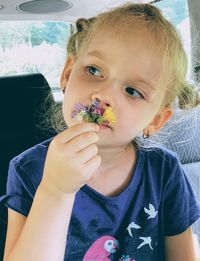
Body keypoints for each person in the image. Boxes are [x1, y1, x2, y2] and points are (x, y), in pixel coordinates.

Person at [1, 3, 200, 261]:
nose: (103, 96)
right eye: (94, 70)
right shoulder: (27, 169)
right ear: (68, 73)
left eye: (132, 91)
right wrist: (55, 191)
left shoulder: (164, 171)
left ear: (156, 120)